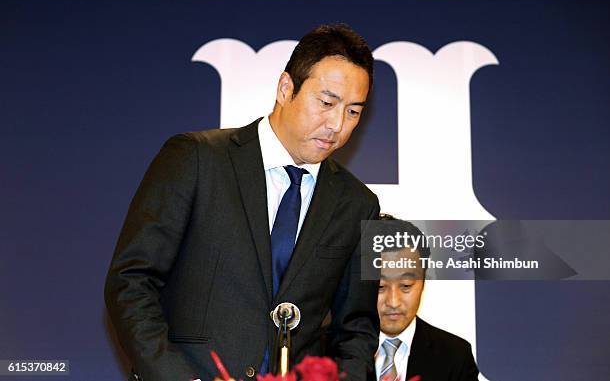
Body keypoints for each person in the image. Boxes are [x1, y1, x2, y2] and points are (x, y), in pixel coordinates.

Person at [104, 24, 380, 381]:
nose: (337, 125)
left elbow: (356, 330)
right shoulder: (198, 158)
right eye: (326, 103)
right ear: (286, 88)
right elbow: (131, 281)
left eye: (353, 112)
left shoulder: (358, 204)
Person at [375, 216, 479, 381]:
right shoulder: (327, 350)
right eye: (379, 287)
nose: (393, 302)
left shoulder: (455, 356)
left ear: (423, 281)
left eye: (406, 285)